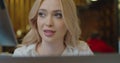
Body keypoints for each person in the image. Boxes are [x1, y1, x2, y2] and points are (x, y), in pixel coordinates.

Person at [13, 0, 93, 56]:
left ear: (69, 21)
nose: (48, 23)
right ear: (35, 19)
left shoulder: (81, 52)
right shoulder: (22, 55)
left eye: (58, 15)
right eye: (42, 14)